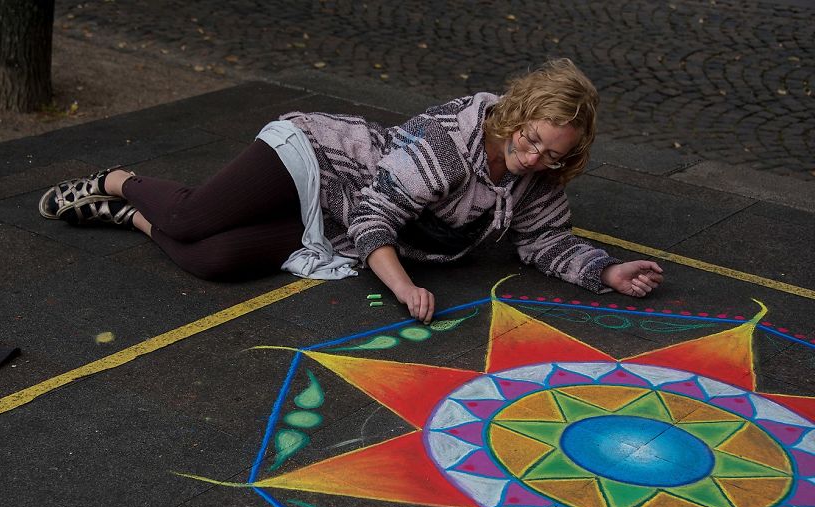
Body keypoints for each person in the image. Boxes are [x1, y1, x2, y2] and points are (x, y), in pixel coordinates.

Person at [39, 58, 663, 324]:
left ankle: (128, 217)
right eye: (530, 141)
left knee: (215, 259)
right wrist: (404, 288)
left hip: (332, 220)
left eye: (553, 154)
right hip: (319, 160)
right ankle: (117, 180)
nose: (534, 159)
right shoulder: (453, 139)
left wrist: (605, 272)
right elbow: (374, 214)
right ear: (517, 114)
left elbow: (546, 241)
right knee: (193, 217)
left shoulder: (540, 174)